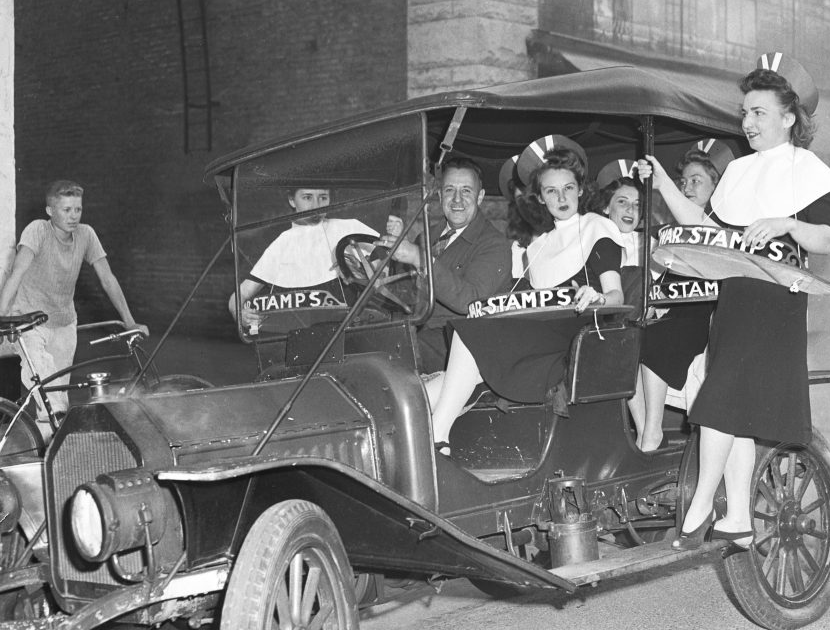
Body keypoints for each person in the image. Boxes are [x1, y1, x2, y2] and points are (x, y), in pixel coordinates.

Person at [639, 52, 830, 549]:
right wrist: (662, 182)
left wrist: (787, 223)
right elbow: (706, 227)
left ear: (789, 117)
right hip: (735, 295)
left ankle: (702, 502)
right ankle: (737, 519)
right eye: (746, 112)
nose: (747, 123)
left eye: (759, 113)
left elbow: (829, 241)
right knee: (733, 401)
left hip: (777, 300)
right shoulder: (737, 172)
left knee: (722, 395)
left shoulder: (809, 169)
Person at [428, 144, 625, 450]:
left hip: (575, 338)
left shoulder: (597, 228)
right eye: (551, 191)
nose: (561, 198)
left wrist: (597, 297)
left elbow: (617, 295)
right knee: (470, 335)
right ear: (541, 198)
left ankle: (437, 431)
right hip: (538, 333)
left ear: (581, 191)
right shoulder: (539, 246)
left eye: (568, 188)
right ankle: (431, 432)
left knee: (474, 336)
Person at [0, 180, 149, 424]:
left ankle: (49, 450)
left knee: (54, 398)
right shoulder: (37, 231)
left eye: (77, 210)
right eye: (66, 210)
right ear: (50, 211)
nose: (73, 217)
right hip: (30, 320)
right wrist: (3, 317)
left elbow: (107, 278)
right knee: (51, 395)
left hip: (64, 323)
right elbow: (17, 273)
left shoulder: (86, 234)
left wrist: (130, 321)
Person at [629, 141, 728, 452]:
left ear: (717, 186)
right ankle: (645, 428)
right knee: (626, 340)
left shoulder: (725, 227)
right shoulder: (673, 230)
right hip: (676, 309)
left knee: (660, 338)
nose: (687, 188)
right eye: (683, 182)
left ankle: (652, 430)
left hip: (710, 313)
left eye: (696, 181)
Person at [376, 157, 512, 373]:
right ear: (440, 196)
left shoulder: (494, 245)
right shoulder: (427, 238)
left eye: (466, 191)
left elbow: (471, 301)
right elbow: (407, 293)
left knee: (386, 359)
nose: (457, 199)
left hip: (459, 343)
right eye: (450, 190)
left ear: (480, 197)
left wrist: (419, 258)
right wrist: (386, 265)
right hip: (416, 332)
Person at [227, 186, 378, 333]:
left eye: (323, 198)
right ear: (292, 200)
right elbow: (241, 293)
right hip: (298, 334)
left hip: (349, 330)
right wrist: (240, 314)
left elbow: (385, 266)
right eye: (307, 197)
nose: (316, 206)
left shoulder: (349, 227)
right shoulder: (282, 243)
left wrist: (362, 271)